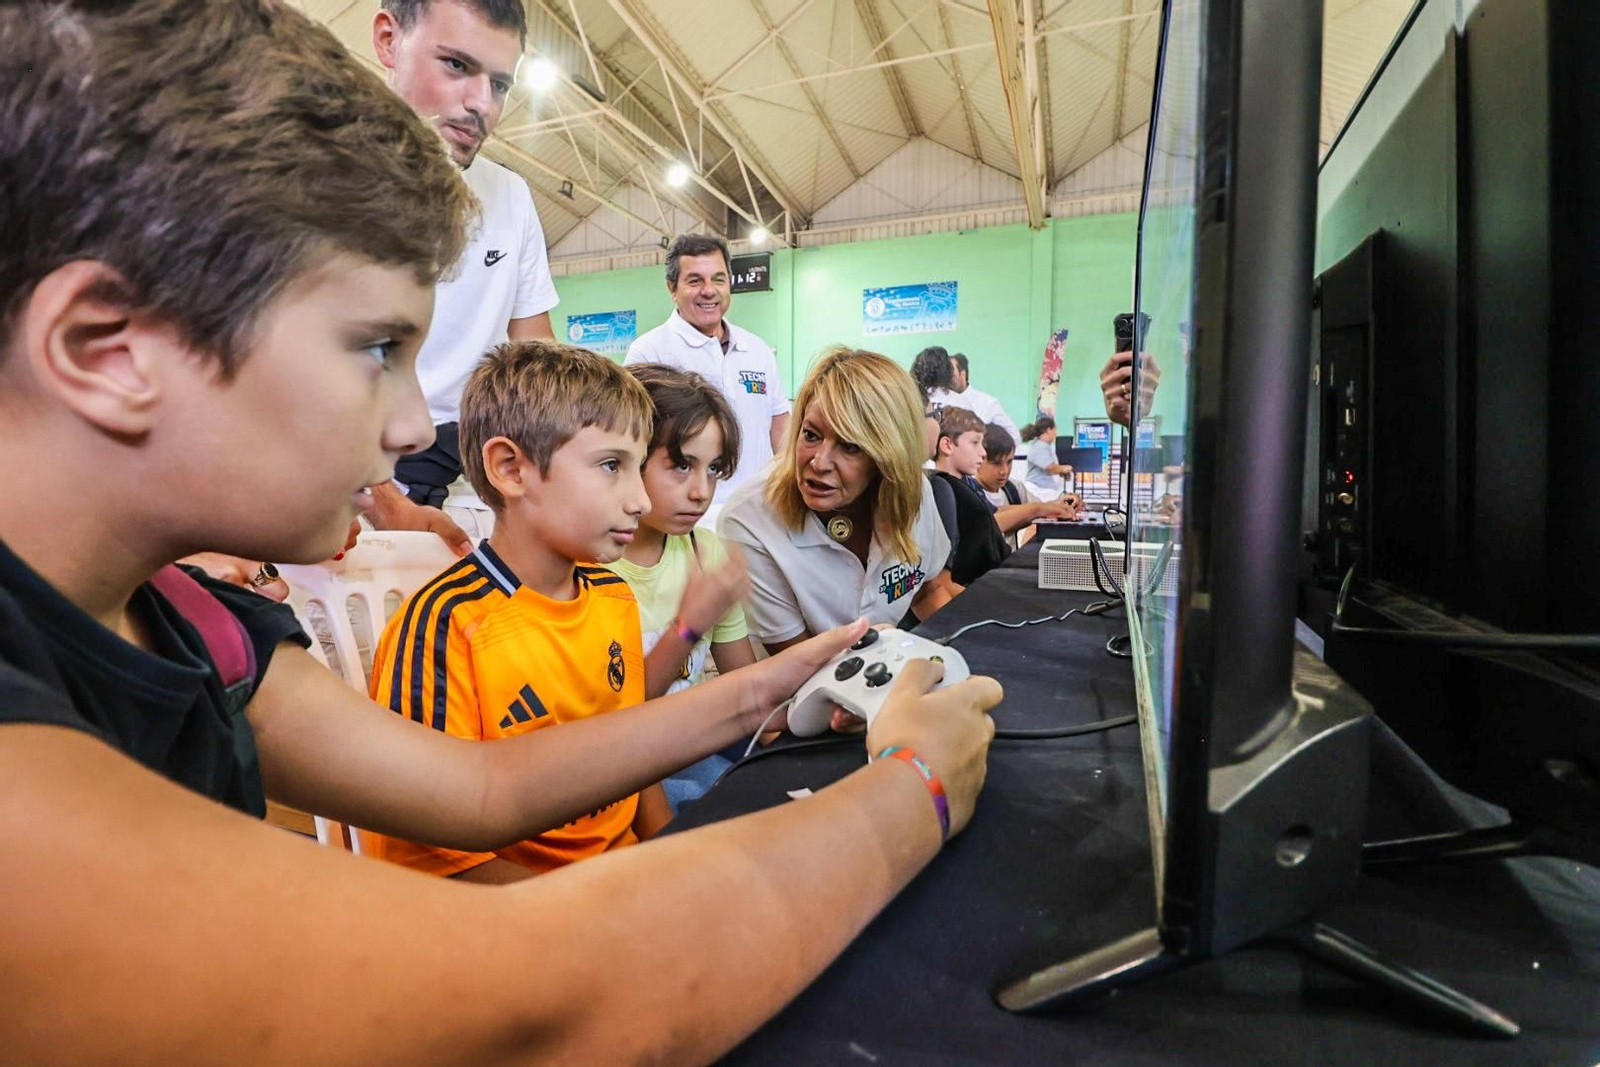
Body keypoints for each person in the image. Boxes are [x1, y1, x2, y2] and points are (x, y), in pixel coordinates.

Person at [0, 4, 1003, 1061]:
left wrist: (778, 680)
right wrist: (915, 788)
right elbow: (538, 998)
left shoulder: (198, 621)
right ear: (106, 351)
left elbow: (482, 787)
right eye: (373, 347)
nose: (407, 421)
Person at [361, 341, 678, 879]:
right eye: (610, 465)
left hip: (622, 882)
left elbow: (632, 765)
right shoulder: (444, 626)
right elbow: (429, 860)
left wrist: (675, 863)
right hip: (530, 917)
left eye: (639, 467)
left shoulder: (614, 596)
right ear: (511, 469)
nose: (641, 501)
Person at [364, 0, 561, 549]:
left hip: (481, 482)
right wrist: (380, 497)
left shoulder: (510, 196)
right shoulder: (312, 180)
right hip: (351, 483)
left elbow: (535, 364)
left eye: (499, 84)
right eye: (455, 65)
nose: (481, 105)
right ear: (388, 39)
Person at [720, 348, 958, 654]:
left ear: (888, 455)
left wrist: (961, 657)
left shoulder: (914, 494)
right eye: (810, 435)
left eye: (849, 446)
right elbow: (795, 664)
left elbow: (930, 591)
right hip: (800, 692)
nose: (819, 462)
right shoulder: (750, 520)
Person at [608, 364, 755, 809]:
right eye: (681, 466)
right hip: (620, 770)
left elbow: (745, 685)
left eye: (713, 471)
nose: (700, 492)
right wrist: (688, 627)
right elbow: (617, 727)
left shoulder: (705, 553)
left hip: (690, 752)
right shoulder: (593, 568)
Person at [625, 234, 790, 503]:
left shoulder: (758, 350)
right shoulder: (649, 352)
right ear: (672, 288)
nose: (709, 290)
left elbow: (780, 428)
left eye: (718, 279)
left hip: (759, 511)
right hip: (687, 514)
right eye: (695, 280)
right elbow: (633, 440)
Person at [929, 408, 1013, 588]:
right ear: (947, 445)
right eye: (975, 443)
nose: (983, 452)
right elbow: (942, 578)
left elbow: (993, 514)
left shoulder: (969, 484)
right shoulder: (941, 491)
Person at [975, 423, 1080, 548]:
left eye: (1009, 462)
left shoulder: (1013, 488)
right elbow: (991, 524)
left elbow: (1044, 508)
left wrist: (1064, 503)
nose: (1004, 471)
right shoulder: (967, 493)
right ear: (978, 459)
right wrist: (1037, 510)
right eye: (996, 463)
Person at [927, 352, 1022, 446]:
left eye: (951, 374)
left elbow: (1014, 436)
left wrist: (983, 448)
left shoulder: (987, 403)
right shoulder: (936, 401)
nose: (947, 379)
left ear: (963, 374)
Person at [1021, 416, 1075, 500]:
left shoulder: (1046, 446)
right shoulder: (1040, 446)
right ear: (1049, 430)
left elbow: (1049, 469)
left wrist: (1061, 472)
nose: (1056, 433)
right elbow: (1050, 468)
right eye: (1055, 430)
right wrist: (1065, 468)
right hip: (1038, 490)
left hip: (1044, 490)